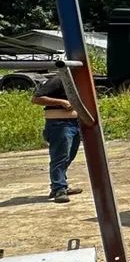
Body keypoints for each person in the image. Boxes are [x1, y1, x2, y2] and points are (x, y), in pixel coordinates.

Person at [31, 74, 84, 203]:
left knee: (69, 156)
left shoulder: (80, 82)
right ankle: (59, 188)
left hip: (74, 123)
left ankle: (60, 185)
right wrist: (62, 102)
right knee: (60, 157)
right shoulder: (58, 80)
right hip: (59, 124)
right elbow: (36, 99)